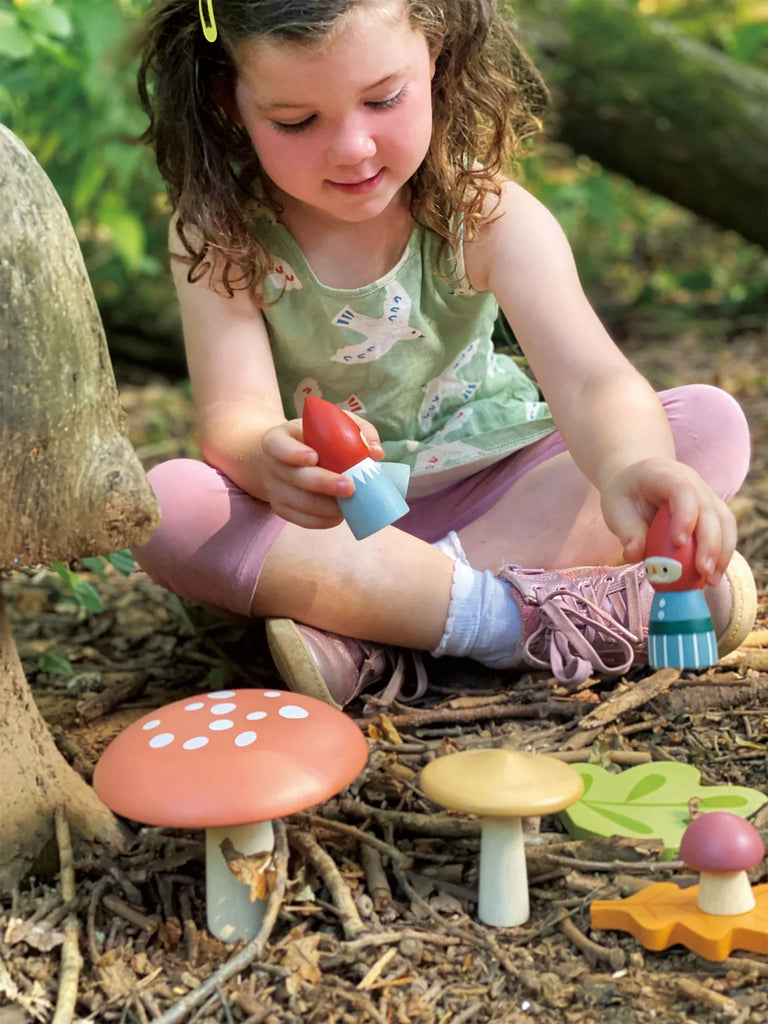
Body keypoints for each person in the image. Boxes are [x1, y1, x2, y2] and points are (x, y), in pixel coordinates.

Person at [133, 0, 756, 709]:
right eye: (296, 121)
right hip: (337, 525)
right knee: (169, 506)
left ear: (435, 52)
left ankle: (381, 629)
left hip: (493, 488)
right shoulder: (223, 235)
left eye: (383, 99)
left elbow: (589, 382)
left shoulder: (482, 212)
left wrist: (632, 466)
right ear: (228, 101)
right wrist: (269, 455)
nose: (353, 148)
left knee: (705, 425)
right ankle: (516, 616)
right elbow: (234, 414)